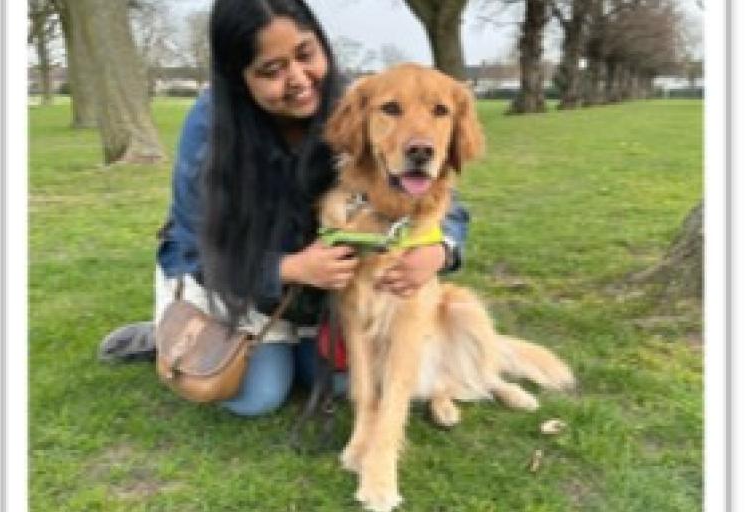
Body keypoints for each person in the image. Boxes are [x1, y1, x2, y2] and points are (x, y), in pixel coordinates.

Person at [99, 0, 470, 417]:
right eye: (271, 71)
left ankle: (295, 335)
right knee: (259, 396)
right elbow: (192, 248)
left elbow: (430, 193)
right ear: (239, 78)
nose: (298, 79)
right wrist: (287, 269)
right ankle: (170, 331)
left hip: (316, 288)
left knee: (340, 379)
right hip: (232, 275)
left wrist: (442, 249)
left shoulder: (354, 104)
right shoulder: (210, 129)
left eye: (305, 54)